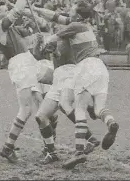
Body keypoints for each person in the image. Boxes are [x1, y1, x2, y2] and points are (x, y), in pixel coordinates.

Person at [0, 0, 55, 163]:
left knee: (40, 103)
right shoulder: (0, 27)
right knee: (27, 109)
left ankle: (50, 149)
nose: (7, 12)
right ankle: (8, 147)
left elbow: (15, 18)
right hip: (20, 65)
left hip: (27, 62)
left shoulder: (2, 27)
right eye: (4, 10)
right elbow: (18, 11)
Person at [34, 1, 119, 170]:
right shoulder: (83, 25)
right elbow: (55, 17)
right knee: (99, 109)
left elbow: (54, 36)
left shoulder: (74, 25)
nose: (67, 11)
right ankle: (111, 123)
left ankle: (79, 151)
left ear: (78, 15)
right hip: (100, 67)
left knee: (78, 108)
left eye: (71, 9)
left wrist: (45, 43)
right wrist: (35, 10)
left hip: (84, 67)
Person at [33, 20, 100, 165]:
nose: (57, 26)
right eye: (55, 25)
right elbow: (38, 56)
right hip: (57, 78)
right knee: (40, 116)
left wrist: (53, 49)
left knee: (65, 105)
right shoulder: (53, 39)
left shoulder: (69, 39)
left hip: (70, 73)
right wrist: (38, 43)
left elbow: (63, 56)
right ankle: (52, 153)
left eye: (59, 25)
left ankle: (90, 138)